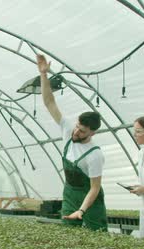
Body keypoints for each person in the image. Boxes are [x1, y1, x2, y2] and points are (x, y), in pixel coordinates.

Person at [36, 54, 107, 231]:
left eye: (82, 131)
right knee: (69, 239)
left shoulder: (95, 155)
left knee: (96, 240)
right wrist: (44, 75)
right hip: (69, 196)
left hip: (90, 203)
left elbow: (94, 188)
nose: (76, 132)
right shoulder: (68, 130)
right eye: (77, 127)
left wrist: (82, 210)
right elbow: (49, 102)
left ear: (92, 132)